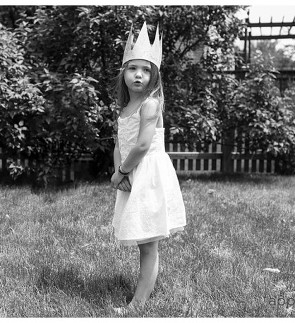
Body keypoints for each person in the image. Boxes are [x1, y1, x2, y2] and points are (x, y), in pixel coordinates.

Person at [110, 21, 186, 314]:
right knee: (144, 238)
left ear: (153, 75)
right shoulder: (125, 108)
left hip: (149, 175)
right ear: (124, 73)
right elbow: (120, 143)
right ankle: (141, 295)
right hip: (132, 173)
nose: (138, 74)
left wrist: (121, 172)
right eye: (132, 69)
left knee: (148, 244)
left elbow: (142, 146)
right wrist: (120, 171)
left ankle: (137, 304)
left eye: (145, 69)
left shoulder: (151, 105)